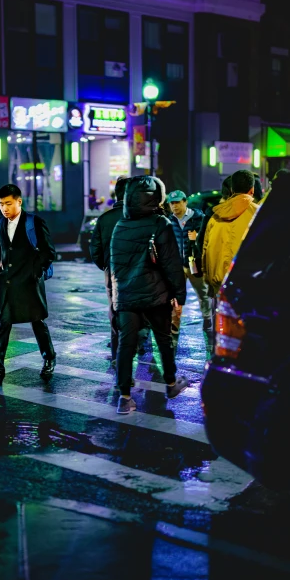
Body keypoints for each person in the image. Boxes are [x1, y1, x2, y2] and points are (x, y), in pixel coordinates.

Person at [110, 175, 189, 414]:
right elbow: (171, 263)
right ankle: (172, 383)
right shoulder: (160, 223)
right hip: (156, 295)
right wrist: (179, 294)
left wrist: (117, 296)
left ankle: (124, 398)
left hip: (126, 297)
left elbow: (114, 264)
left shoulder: (120, 225)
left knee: (126, 345)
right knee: (163, 340)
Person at [0, 184, 57, 383]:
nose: (4, 208)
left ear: (19, 201)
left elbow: (49, 252)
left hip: (29, 283)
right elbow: (1, 250)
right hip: (6, 283)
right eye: (0, 204)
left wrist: (35, 271)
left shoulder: (34, 222)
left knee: (37, 322)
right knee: (3, 324)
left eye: (8, 203)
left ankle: (49, 359)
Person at [202, 169, 258, 298]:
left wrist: (208, 281)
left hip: (218, 284)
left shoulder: (215, 217)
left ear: (232, 189)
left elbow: (206, 251)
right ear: (252, 189)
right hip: (246, 286)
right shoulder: (259, 215)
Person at [89, 177, 128, 364]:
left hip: (111, 270)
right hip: (137, 271)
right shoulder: (140, 217)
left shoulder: (104, 219)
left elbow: (94, 249)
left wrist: (105, 265)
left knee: (114, 309)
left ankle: (116, 354)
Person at [166, 190, 212, 339]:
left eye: (178, 202)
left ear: (185, 202)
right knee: (176, 296)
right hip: (177, 265)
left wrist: (197, 237)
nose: (175, 206)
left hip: (194, 263)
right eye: (172, 203)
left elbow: (208, 238)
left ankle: (208, 320)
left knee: (203, 293)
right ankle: (174, 325)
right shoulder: (168, 221)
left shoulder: (198, 218)